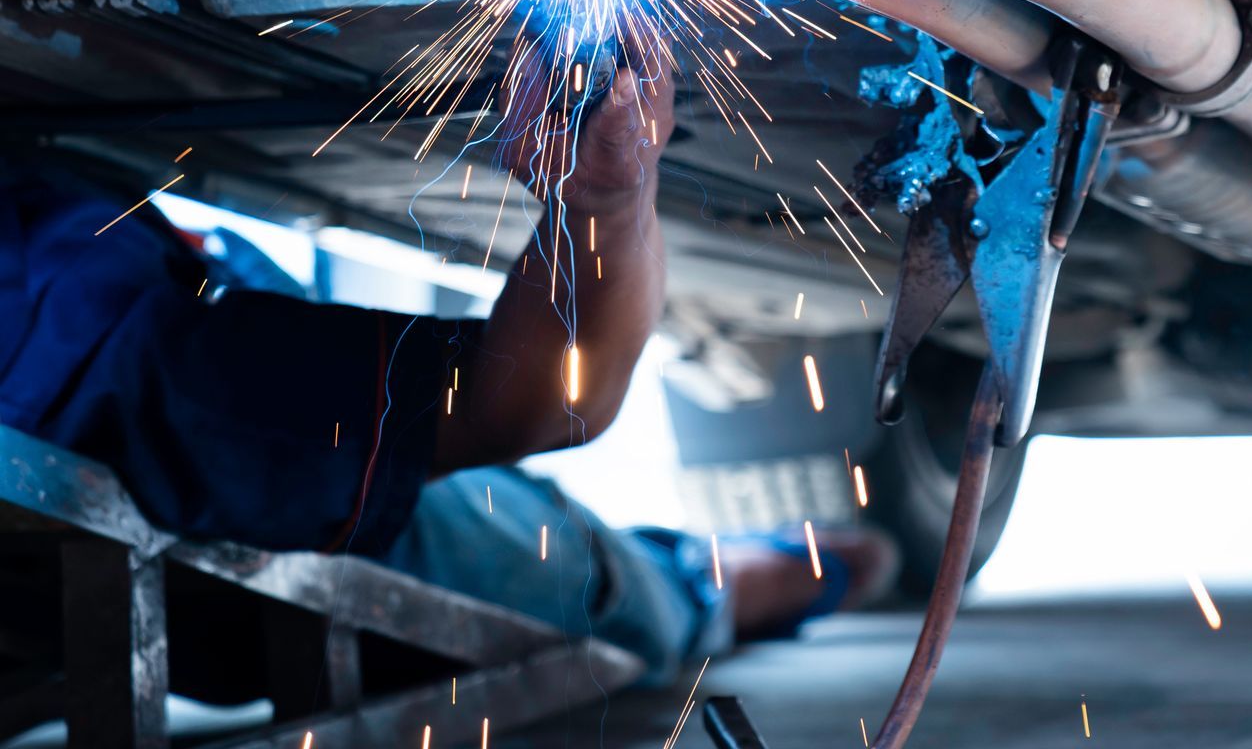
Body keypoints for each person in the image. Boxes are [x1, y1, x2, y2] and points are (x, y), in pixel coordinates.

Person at [0, 66, 895, 687]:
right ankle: (710, 591)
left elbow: (512, 408)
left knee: (467, 490)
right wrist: (603, 205)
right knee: (549, 567)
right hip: (173, 424)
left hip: (176, 300)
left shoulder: (85, 327)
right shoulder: (112, 374)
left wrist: (604, 201)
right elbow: (537, 405)